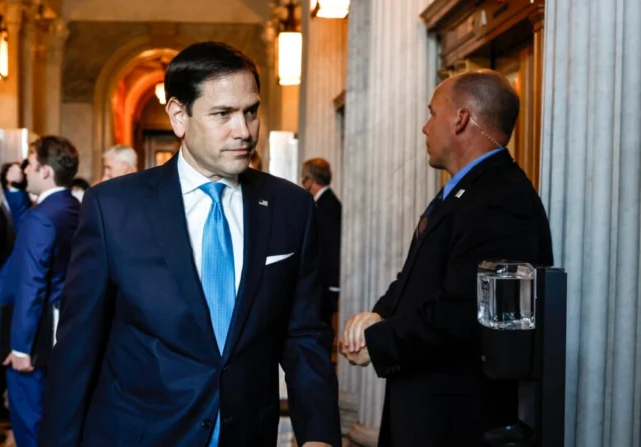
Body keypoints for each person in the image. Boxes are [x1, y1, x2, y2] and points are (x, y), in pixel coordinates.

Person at [40, 41, 340, 447]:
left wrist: (319, 435)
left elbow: (304, 335)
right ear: (179, 116)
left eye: (251, 111)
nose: (244, 130)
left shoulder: (291, 207)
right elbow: (78, 348)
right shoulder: (113, 208)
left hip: (247, 434)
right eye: (223, 114)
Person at [340, 70, 554, 446]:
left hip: (454, 423)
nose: (424, 127)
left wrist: (378, 342)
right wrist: (381, 314)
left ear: (460, 118)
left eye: (431, 113)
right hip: (427, 410)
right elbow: (418, 277)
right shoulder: (467, 190)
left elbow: (462, 312)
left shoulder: (499, 198)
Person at [0, 136, 80, 447]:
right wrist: (14, 190)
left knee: (30, 424)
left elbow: (32, 283)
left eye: (30, 164)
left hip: (32, 336)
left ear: (45, 172)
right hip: (56, 327)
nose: (25, 169)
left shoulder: (43, 217)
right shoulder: (68, 206)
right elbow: (32, 227)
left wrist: (21, 347)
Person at [301, 158, 341, 326]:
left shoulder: (325, 207)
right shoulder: (327, 203)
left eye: (303, 178)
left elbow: (330, 248)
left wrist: (332, 286)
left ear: (311, 180)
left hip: (325, 284)